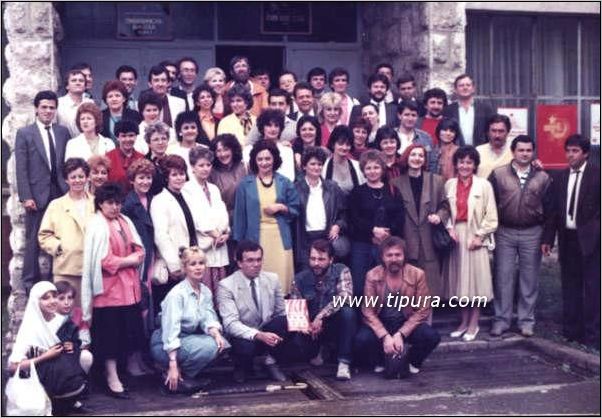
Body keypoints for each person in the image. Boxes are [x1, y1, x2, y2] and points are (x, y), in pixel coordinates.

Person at [80, 182, 147, 398]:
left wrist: (132, 258)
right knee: (109, 337)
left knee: (126, 333)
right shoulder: (96, 225)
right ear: (100, 204)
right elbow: (103, 261)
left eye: (118, 203)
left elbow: (140, 250)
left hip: (129, 289)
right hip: (108, 292)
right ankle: (111, 377)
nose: (115, 207)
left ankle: (123, 372)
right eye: (110, 203)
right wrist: (130, 260)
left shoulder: (124, 221)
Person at [488, 135, 552, 337]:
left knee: (529, 278)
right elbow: (491, 203)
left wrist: (546, 237)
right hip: (505, 231)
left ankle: (526, 321)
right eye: (520, 150)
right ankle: (501, 320)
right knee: (503, 277)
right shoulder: (498, 174)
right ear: (513, 152)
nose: (524, 154)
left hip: (532, 232)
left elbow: (550, 209)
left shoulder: (543, 177)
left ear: (532, 152)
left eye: (528, 150)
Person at [542, 134, 600, 349]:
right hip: (568, 239)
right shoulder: (560, 177)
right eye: (568, 151)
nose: (570, 155)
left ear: (585, 153)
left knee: (593, 288)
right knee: (570, 286)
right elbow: (553, 212)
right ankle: (571, 333)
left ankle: (593, 336)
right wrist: (548, 238)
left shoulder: (597, 175)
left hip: (592, 241)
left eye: (575, 151)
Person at [354, 237, 440, 378]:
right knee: (361, 339)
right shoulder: (372, 275)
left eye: (398, 255)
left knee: (431, 336)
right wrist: (385, 336)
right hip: (381, 321)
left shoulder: (417, 274)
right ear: (382, 257)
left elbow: (424, 309)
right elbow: (368, 311)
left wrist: (401, 334)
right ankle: (380, 360)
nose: (394, 259)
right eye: (389, 255)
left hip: (406, 321)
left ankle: (412, 361)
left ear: (404, 256)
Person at [150, 247, 228, 394]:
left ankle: (181, 376)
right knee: (210, 347)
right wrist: (173, 362)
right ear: (184, 268)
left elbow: (208, 317)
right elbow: (170, 329)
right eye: (193, 264)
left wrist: (216, 333)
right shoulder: (177, 294)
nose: (198, 267)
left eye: (201, 263)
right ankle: (171, 371)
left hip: (187, 339)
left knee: (222, 343)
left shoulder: (205, 291)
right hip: (164, 343)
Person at [15, 90, 70, 291]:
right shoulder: (25, 133)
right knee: (34, 241)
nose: (48, 111)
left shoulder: (62, 132)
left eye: (52, 107)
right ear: (37, 109)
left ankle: (59, 281)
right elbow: (20, 168)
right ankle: (30, 283)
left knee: (62, 237)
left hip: (60, 192)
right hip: (36, 196)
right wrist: (26, 196)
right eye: (44, 107)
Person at [217, 240, 293, 383]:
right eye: (250, 260)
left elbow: (280, 312)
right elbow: (230, 324)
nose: (256, 264)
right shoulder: (226, 285)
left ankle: (270, 360)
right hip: (243, 334)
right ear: (239, 263)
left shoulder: (272, 279)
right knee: (244, 346)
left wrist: (269, 334)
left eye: (259, 260)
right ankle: (242, 365)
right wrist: (258, 335)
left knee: (286, 321)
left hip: (266, 329)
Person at [7, 282, 87, 415]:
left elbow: (76, 344)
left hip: (65, 380)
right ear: (36, 301)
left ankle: (69, 399)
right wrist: (45, 356)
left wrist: (73, 346)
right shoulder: (30, 328)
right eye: (45, 298)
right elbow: (13, 367)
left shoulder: (63, 321)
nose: (52, 301)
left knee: (84, 357)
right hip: (40, 381)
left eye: (54, 296)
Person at [444, 146, 498, 342]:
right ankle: (463, 322)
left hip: (475, 236)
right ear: (456, 164)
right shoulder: (449, 184)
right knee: (460, 282)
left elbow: (491, 217)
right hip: (456, 236)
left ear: (475, 164)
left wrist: (480, 237)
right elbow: (445, 211)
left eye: (469, 162)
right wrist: (449, 228)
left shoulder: (484, 185)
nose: (465, 166)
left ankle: (474, 324)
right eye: (461, 162)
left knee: (475, 282)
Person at [233, 140, 300, 294]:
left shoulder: (285, 182)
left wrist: (281, 207)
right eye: (260, 159)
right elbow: (239, 218)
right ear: (255, 161)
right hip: (255, 239)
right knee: (259, 284)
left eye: (268, 158)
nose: (264, 163)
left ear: (274, 159)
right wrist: (239, 246)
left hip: (280, 238)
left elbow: (296, 210)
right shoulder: (245, 184)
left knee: (281, 284)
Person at [291, 239, 355, 380]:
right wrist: (306, 326)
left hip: (333, 324)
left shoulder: (341, 270)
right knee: (298, 344)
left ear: (331, 259)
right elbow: (296, 313)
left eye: (321, 259)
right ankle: (320, 351)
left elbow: (345, 297)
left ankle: (343, 362)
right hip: (312, 330)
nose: (316, 263)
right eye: (313, 259)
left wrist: (321, 316)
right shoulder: (299, 278)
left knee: (348, 312)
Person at [391, 144, 450, 298]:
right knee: (408, 290)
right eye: (413, 155)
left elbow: (445, 206)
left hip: (429, 240)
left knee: (429, 289)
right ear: (407, 157)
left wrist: (439, 216)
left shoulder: (436, 180)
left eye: (420, 156)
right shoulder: (396, 183)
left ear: (424, 160)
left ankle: (427, 322)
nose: (417, 159)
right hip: (406, 240)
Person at [38, 158, 95, 307]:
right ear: (66, 180)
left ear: (87, 178)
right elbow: (44, 235)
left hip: (93, 269)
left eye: (81, 176)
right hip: (66, 268)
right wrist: (59, 247)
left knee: (89, 313)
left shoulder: (96, 203)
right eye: (73, 177)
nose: (77, 180)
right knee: (65, 312)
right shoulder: (56, 205)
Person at [348, 150, 405, 297]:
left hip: (387, 246)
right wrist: (373, 230)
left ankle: (386, 319)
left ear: (382, 169)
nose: (372, 171)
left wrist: (387, 233)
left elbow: (400, 216)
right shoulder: (357, 192)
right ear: (363, 170)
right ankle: (363, 319)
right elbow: (353, 219)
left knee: (386, 287)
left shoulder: (393, 190)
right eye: (368, 168)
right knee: (361, 287)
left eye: (376, 167)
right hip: (362, 245)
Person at [182, 147, 231, 301]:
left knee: (221, 292)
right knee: (204, 289)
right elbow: (195, 217)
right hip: (204, 243)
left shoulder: (214, 188)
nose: (205, 169)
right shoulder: (187, 189)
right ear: (193, 167)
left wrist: (225, 233)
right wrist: (214, 234)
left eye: (208, 165)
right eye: (201, 165)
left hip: (220, 243)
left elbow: (222, 213)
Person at [150, 155, 198, 309]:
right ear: (166, 177)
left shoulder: (188, 196)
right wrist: (174, 265)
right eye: (174, 174)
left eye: (181, 173)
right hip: (174, 267)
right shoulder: (159, 200)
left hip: (191, 260)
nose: (179, 178)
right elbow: (161, 236)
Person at [294, 146, 348, 270]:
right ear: (304, 166)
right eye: (312, 164)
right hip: (304, 240)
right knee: (307, 278)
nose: (316, 167)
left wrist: (337, 225)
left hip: (326, 238)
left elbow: (344, 212)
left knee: (328, 279)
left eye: (319, 164)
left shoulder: (332, 188)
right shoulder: (295, 189)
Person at [121, 158, 157, 333]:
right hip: (140, 256)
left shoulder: (153, 199)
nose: (145, 182)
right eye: (141, 178)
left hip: (152, 253)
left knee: (150, 295)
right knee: (141, 295)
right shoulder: (128, 204)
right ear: (132, 180)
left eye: (148, 177)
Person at [442, 73, 495, 146]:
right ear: (455, 89)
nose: (465, 88)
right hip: (457, 152)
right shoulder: (448, 110)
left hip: (480, 151)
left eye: (468, 85)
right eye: (461, 85)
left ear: (473, 88)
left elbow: (491, 130)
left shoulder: (485, 109)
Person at [55, 280, 94, 376]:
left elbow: (85, 340)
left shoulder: (78, 313)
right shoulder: (50, 315)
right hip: (54, 353)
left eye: (70, 298)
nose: (67, 302)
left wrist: (75, 346)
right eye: (61, 299)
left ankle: (81, 381)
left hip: (74, 351)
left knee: (86, 356)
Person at [245, 108, 295, 181]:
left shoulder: (287, 151)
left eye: (276, 125)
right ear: (262, 127)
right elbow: (248, 176)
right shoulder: (248, 150)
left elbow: (289, 177)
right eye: (269, 125)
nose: (273, 129)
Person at [209, 134, 248, 221]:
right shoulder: (211, 173)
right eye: (218, 151)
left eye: (226, 149)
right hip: (225, 220)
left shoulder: (245, 167)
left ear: (233, 150)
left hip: (247, 217)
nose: (222, 154)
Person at [322, 125, 365, 196]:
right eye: (340, 143)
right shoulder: (323, 166)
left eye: (348, 144)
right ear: (333, 144)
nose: (344, 147)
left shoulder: (357, 166)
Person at [395, 100, 437, 171]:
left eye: (413, 115)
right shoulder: (391, 136)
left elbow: (432, 163)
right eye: (407, 115)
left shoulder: (425, 137)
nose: (410, 119)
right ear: (399, 115)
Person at [168, 111, 210, 178]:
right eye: (186, 128)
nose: (190, 131)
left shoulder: (205, 149)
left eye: (193, 127)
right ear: (179, 132)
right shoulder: (171, 151)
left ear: (197, 131)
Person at [105, 120, 145, 192]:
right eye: (123, 136)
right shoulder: (108, 158)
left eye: (131, 135)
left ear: (136, 136)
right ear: (117, 137)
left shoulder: (142, 158)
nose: (127, 139)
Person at [100, 80, 142, 145]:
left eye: (117, 95)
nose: (114, 99)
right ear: (106, 100)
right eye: (110, 96)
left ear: (124, 98)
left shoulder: (134, 115)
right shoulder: (100, 116)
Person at [57, 70, 94, 137]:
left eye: (81, 81)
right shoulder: (59, 104)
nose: (78, 83)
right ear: (67, 86)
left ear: (85, 86)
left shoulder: (90, 103)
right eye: (74, 80)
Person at [475, 114, 513, 178]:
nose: (497, 135)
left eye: (501, 131)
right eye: (493, 131)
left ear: (508, 132)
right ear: (488, 132)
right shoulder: (478, 151)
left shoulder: (514, 151)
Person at [143, 121, 170, 196]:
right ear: (149, 143)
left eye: (164, 138)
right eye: (156, 139)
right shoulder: (143, 163)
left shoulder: (173, 162)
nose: (160, 142)